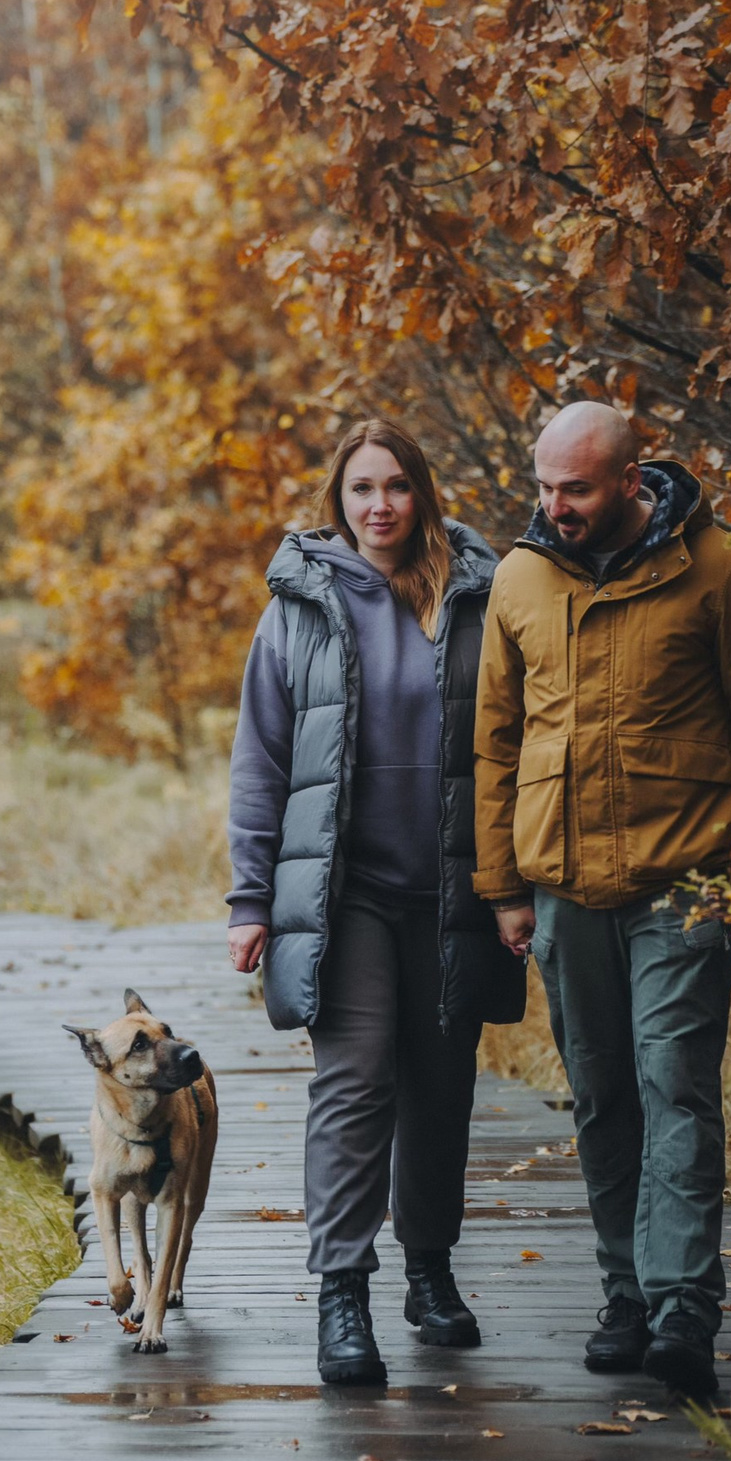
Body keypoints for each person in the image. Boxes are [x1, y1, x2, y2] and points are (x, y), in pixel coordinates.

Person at [472, 398, 731, 1408]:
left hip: (682, 885)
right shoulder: (519, 577)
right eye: (544, 485)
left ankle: (682, 1312)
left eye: (574, 487)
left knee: (676, 1088)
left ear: (629, 480)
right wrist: (502, 887)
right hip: (561, 891)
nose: (554, 504)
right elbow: (493, 739)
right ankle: (623, 1296)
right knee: (605, 1098)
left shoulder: (716, 566)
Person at [227, 415, 526, 1389]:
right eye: (361, 487)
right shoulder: (303, 604)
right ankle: (342, 1293)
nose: (379, 504)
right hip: (344, 893)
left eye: (395, 484)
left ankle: (429, 1273)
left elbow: (520, 741)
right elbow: (261, 757)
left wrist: (518, 881)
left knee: (441, 1093)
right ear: (338, 499)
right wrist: (249, 896)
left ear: (421, 489)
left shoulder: (477, 594)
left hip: (453, 893)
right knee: (354, 1085)